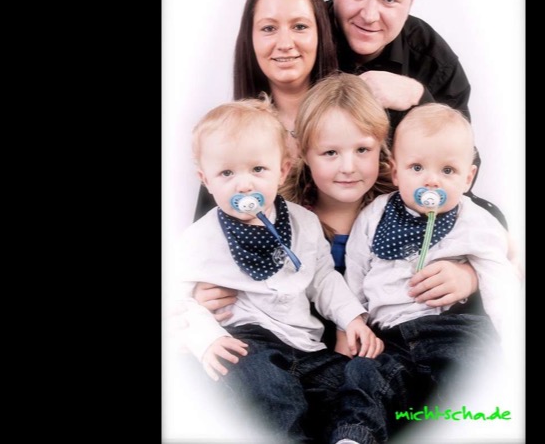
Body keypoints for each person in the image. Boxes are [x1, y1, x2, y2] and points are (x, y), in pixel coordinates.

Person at [196, 73, 485, 350]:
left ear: (382, 148)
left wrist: (470, 276)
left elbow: (491, 232)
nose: (348, 167)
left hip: (403, 345)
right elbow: (205, 257)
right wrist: (198, 296)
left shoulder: (407, 201)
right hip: (304, 353)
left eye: (362, 150)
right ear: (303, 153)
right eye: (330, 153)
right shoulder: (277, 215)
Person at [171, 95, 385, 443]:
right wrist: (206, 339)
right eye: (227, 173)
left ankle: (351, 435)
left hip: (307, 347)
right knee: (263, 387)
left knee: (358, 377)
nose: (244, 185)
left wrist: (352, 319)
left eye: (258, 169)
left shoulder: (303, 223)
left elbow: (322, 278)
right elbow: (177, 299)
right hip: (248, 343)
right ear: (205, 179)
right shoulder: (199, 239)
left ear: (283, 170)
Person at [338, 103, 522, 440]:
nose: (432, 180)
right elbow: (356, 271)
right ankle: (355, 433)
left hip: (452, 329)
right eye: (417, 167)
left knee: (473, 370)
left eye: (448, 170)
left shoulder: (476, 221)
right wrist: (354, 323)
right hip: (388, 336)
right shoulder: (375, 215)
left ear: (468, 178)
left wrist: (511, 342)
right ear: (395, 172)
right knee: (363, 376)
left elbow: (500, 281)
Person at [326, 0, 511, 227]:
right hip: (315, 199)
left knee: (492, 223)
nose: (369, 15)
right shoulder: (299, 37)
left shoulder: (435, 60)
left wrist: (420, 99)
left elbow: (462, 172)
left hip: (403, 211)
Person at [192, 0, 339, 220]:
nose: (285, 43)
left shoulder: (352, 120)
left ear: (320, 34)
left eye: (300, 26)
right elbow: (206, 234)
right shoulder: (227, 134)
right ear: (250, 39)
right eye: (269, 28)